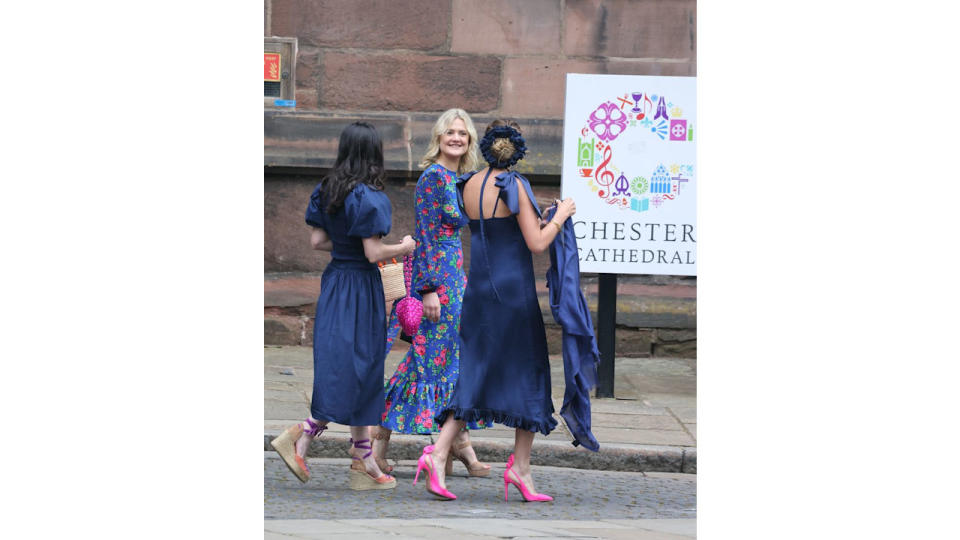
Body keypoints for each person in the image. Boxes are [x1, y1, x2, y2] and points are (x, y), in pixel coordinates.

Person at [412, 120, 577, 501]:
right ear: (517, 151)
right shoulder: (514, 184)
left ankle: (437, 454)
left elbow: (509, 227)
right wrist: (561, 214)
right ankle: (519, 468)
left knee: (476, 372)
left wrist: (541, 217)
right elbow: (536, 242)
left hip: (480, 292)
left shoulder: (468, 184)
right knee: (530, 372)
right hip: (513, 294)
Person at [270, 122, 416, 491]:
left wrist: (346, 248)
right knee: (362, 366)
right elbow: (373, 252)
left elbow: (318, 241)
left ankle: (363, 457)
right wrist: (404, 247)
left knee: (350, 364)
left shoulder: (327, 190)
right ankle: (306, 432)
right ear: (374, 154)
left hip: (335, 281)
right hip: (362, 287)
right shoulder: (370, 197)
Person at [373, 109, 492, 478]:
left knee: (449, 363)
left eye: (463, 133)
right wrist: (427, 290)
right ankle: (378, 444)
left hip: (455, 279)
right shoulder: (432, 179)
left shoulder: (457, 179)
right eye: (450, 132)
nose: (456, 138)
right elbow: (424, 237)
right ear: (439, 138)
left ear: (470, 141)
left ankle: (456, 447)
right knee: (424, 363)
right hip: (438, 283)